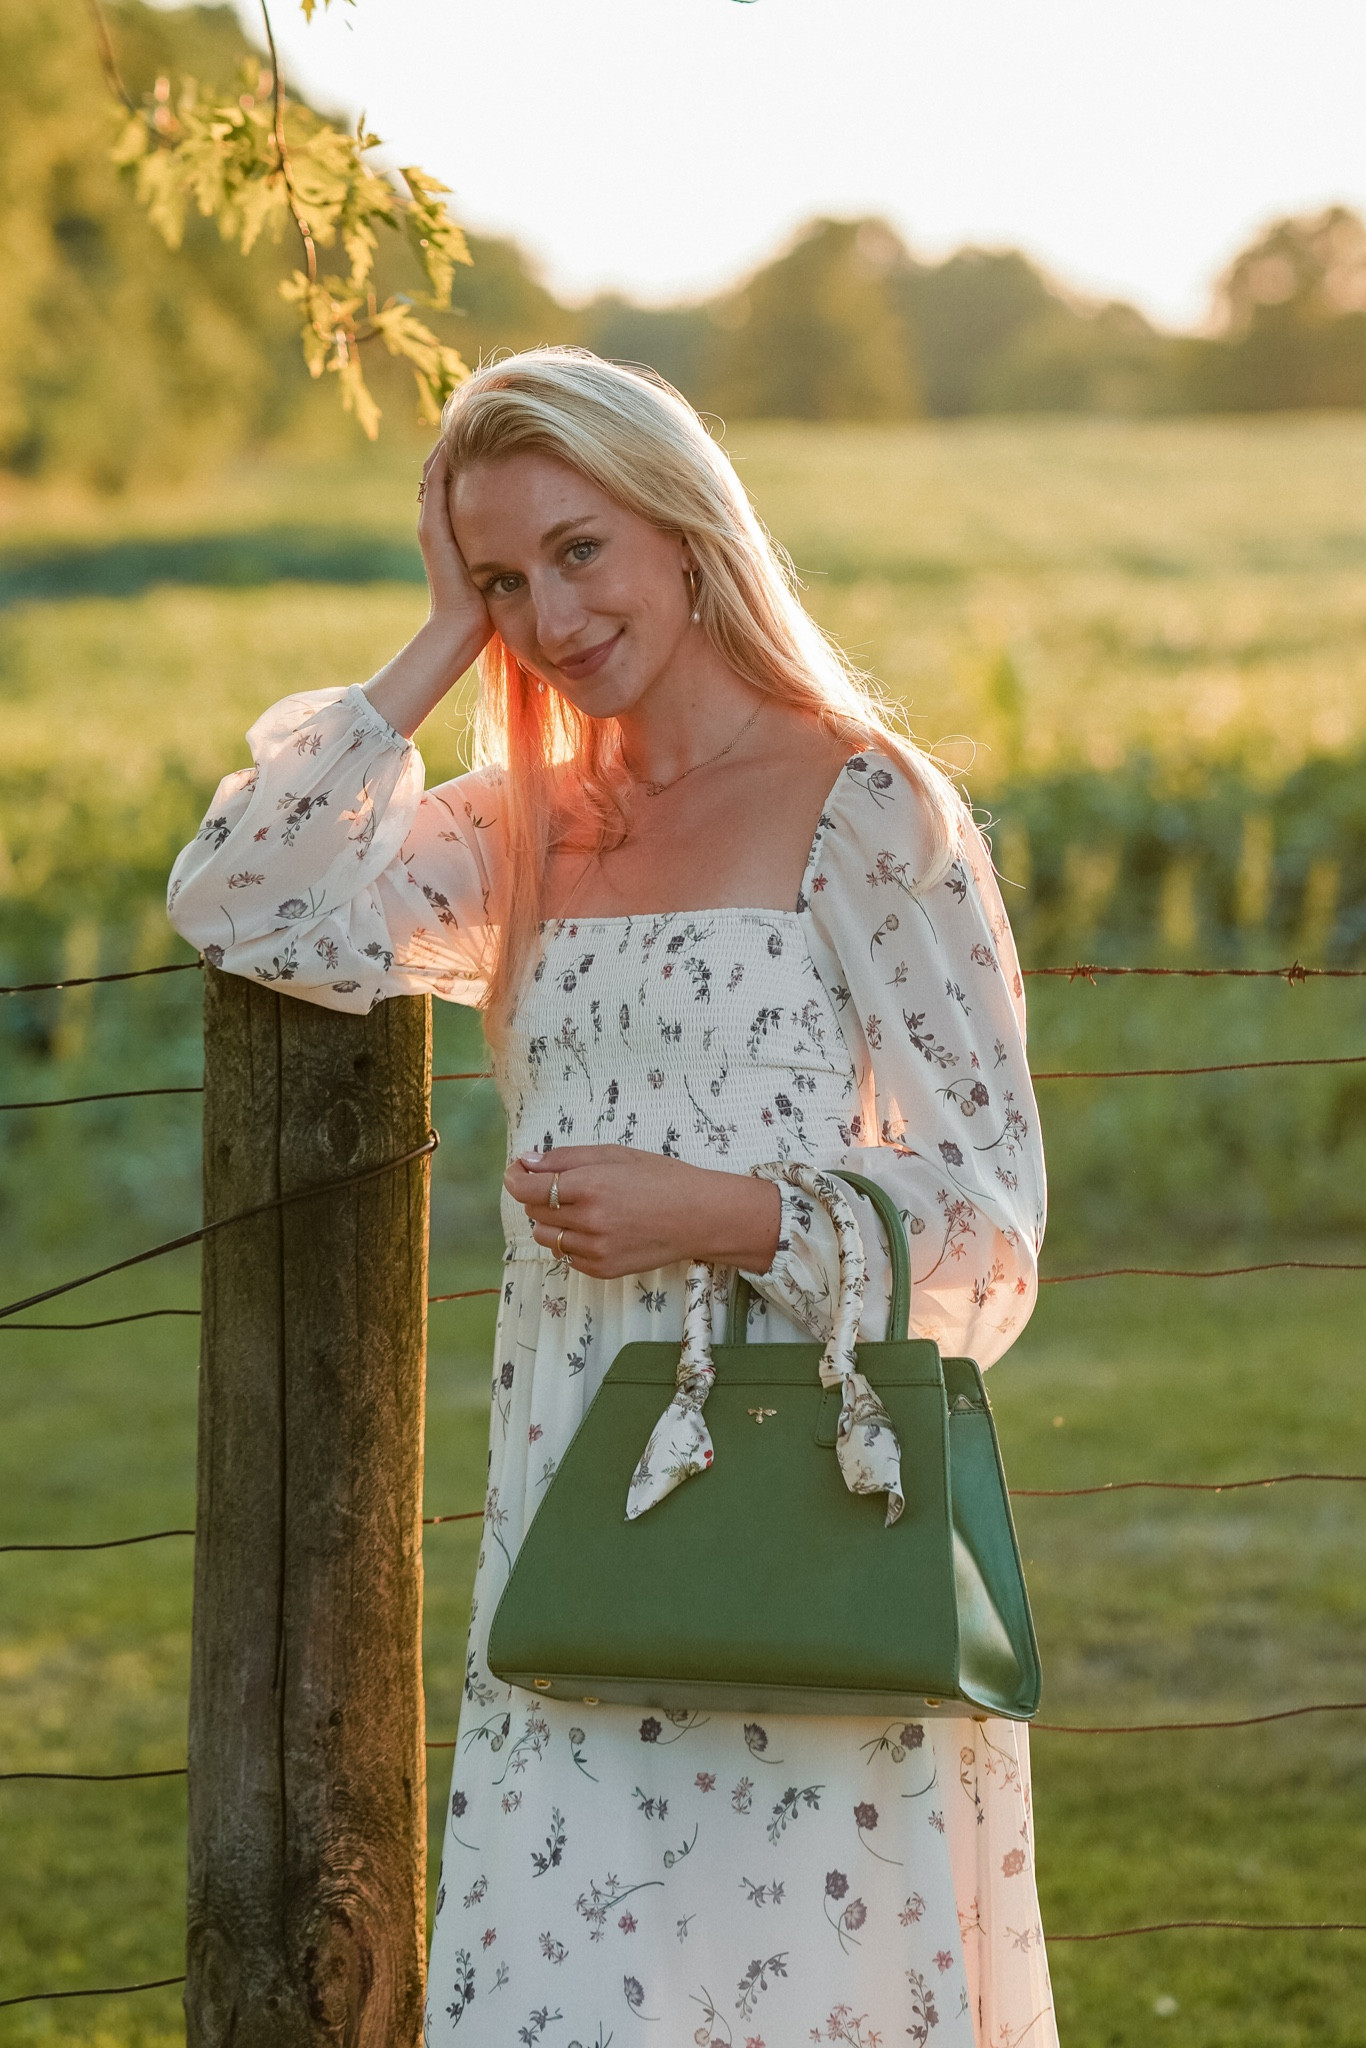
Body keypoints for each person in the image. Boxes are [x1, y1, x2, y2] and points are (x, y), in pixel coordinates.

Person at [168, 347, 1053, 2048]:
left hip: (810, 1524)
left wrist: (718, 1214)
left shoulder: (866, 806)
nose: (551, 615)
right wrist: (435, 641)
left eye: (580, 550)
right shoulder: (522, 830)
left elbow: (989, 1236)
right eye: (504, 576)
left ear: (681, 526)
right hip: (571, 1527)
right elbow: (246, 898)